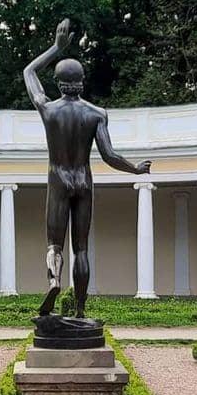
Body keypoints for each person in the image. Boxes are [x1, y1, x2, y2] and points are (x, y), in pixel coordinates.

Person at [23, 18, 151, 319]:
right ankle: (80, 311)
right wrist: (135, 169)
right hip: (83, 181)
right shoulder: (96, 113)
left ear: (59, 83)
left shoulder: (48, 109)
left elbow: (29, 72)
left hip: (58, 179)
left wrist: (56, 48)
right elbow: (109, 155)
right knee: (81, 248)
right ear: (82, 82)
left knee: (55, 244)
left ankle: (54, 281)